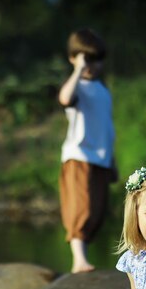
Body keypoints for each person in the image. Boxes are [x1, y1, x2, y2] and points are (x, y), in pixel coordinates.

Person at [57, 28, 117, 273]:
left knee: (97, 211)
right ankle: (78, 260)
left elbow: (107, 128)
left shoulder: (103, 90)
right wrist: (78, 70)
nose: (92, 66)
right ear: (74, 58)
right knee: (81, 207)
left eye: (96, 60)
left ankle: (83, 256)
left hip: (101, 158)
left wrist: (112, 160)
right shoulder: (77, 86)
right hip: (79, 156)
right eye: (87, 59)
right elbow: (64, 98)